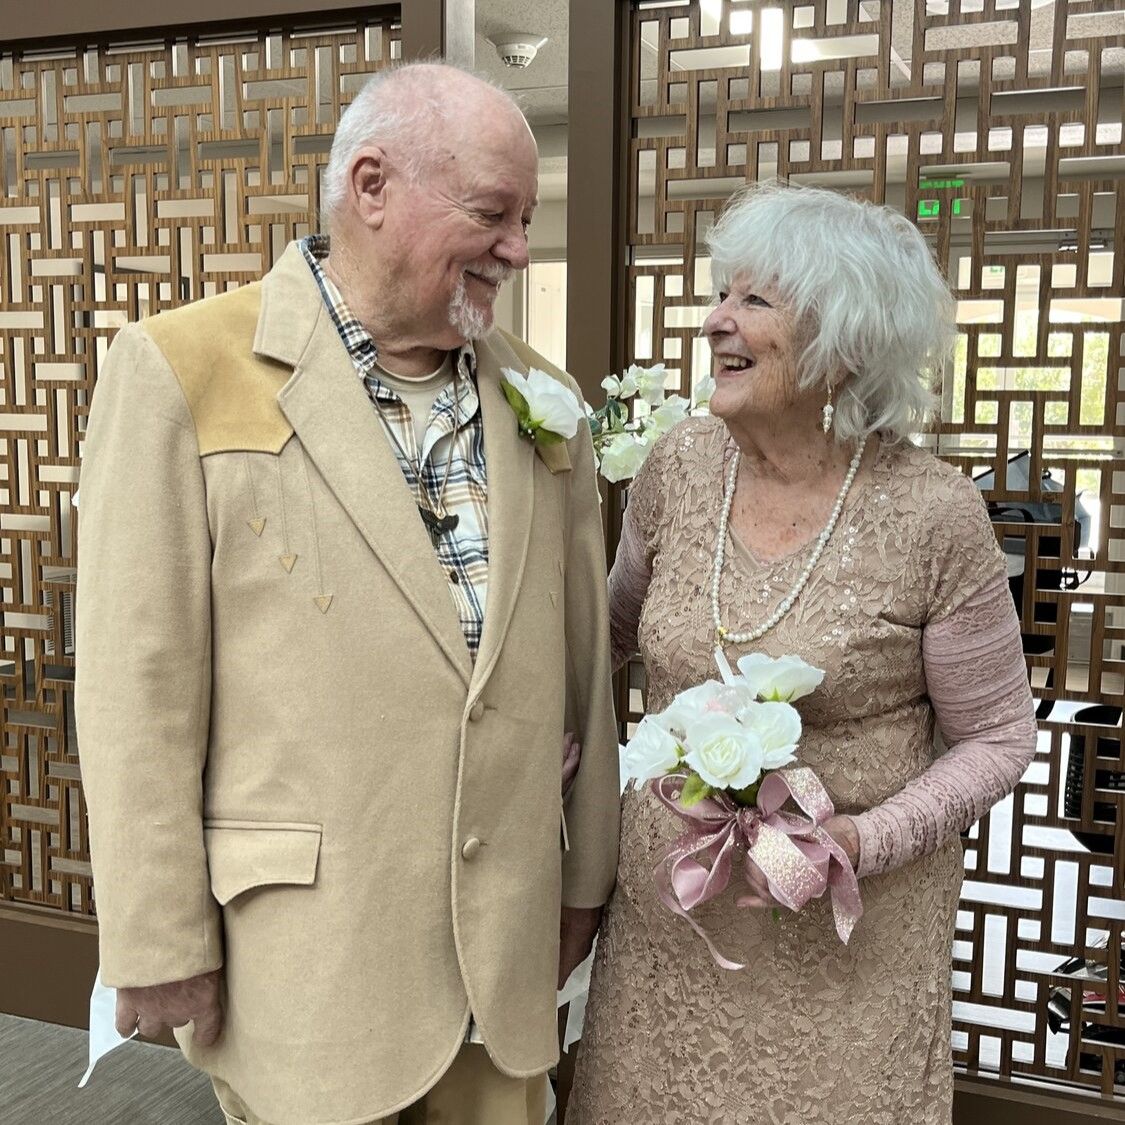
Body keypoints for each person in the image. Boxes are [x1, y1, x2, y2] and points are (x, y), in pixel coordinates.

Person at [75, 63, 619, 1125]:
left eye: (527, 218)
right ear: (371, 187)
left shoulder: (542, 398)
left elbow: (583, 668)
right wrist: (157, 936)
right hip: (305, 961)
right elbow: (138, 687)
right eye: (492, 213)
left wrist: (585, 876)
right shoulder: (181, 369)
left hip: (501, 958)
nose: (518, 247)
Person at [566, 182, 1038, 1124]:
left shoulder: (932, 511)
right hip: (671, 929)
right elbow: (606, 642)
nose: (714, 322)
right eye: (720, 295)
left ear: (843, 345)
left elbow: (997, 737)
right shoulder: (681, 467)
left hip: (847, 948)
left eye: (754, 301)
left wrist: (863, 839)